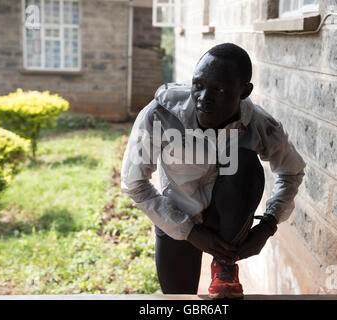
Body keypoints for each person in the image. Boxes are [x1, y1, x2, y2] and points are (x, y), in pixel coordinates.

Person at [121, 43, 306, 299]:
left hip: (227, 223)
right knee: (179, 300)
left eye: (219, 89)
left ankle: (224, 266)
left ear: (244, 91)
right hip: (178, 217)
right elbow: (134, 184)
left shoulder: (259, 124)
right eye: (198, 85)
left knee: (244, 162)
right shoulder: (160, 115)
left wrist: (267, 225)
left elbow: (292, 172)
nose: (204, 98)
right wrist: (190, 232)